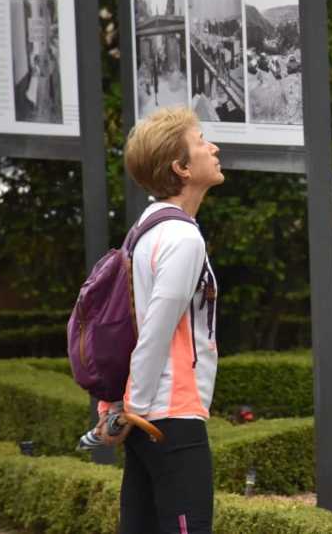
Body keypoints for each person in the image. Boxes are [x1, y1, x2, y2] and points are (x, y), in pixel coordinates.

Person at [94, 106, 222, 534]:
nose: (214, 148)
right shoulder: (182, 238)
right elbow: (154, 332)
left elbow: (131, 324)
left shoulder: (146, 228)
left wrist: (118, 407)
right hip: (168, 417)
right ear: (181, 167)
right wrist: (132, 410)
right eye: (202, 141)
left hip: (148, 414)